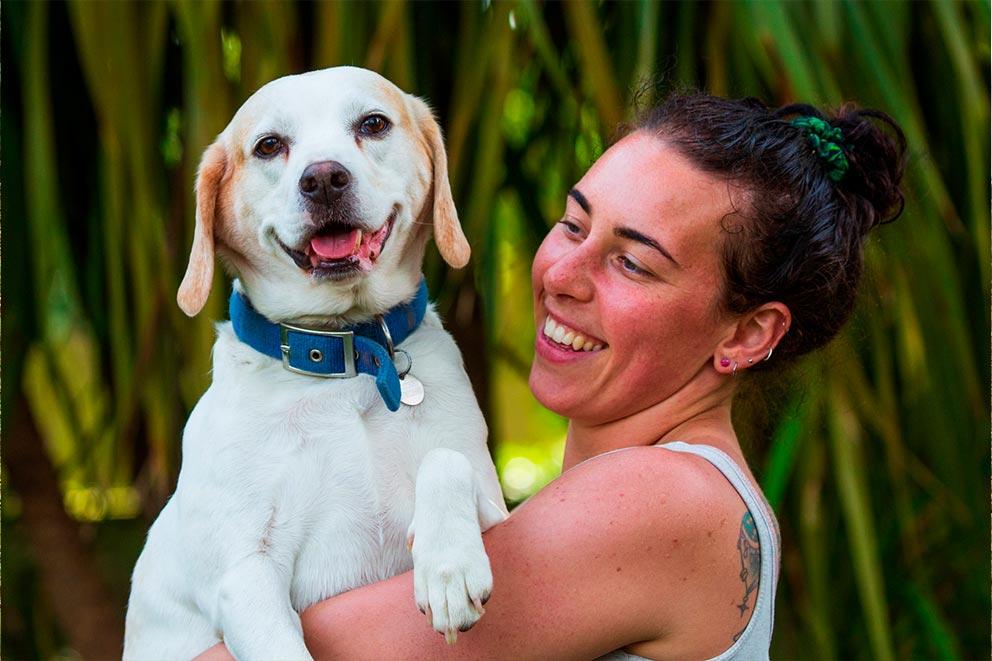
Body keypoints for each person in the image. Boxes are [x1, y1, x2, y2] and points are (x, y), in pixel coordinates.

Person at [195, 92, 905, 661]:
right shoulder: (656, 493)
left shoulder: (661, 502)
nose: (562, 275)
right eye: (573, 224)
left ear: (747, 333)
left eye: (633, 262)